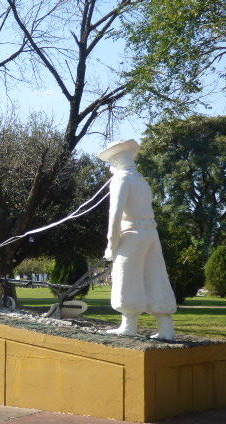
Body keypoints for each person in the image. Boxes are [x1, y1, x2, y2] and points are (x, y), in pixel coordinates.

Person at [98, 139, 177, 341]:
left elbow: (115, 215)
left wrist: (111, 244)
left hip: (132, 234)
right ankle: (166, 327)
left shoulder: (121, 179)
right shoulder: (141, 180)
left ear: (116, 160)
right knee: (156, 276)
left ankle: (129, 325)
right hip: (151, 233)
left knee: (127, 276)